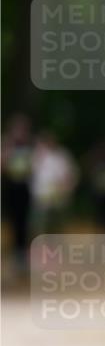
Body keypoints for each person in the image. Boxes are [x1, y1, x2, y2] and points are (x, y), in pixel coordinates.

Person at [1, 113, 35, 276]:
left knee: (24, 223)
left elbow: (35, 168)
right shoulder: (6, 146)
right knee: (13, 222)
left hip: (25, 189)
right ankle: (15, 255)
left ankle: (22, 256)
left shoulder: (31, 147)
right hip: (11, 188)